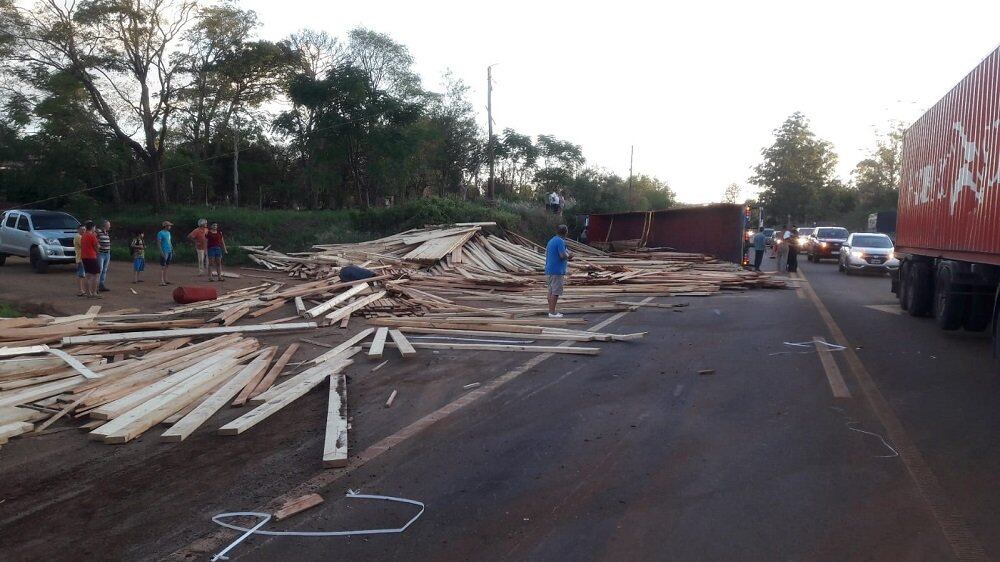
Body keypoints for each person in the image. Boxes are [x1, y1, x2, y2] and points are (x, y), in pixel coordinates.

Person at [545, 224, 571, 318]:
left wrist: (568, 252)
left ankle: (550, 310)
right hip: (557, 270)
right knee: (556, 292)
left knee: (551, 291)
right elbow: (562, 255)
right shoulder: (560, 241)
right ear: (566, 232)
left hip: (550, 269)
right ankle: (552, 312)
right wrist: (569, 256)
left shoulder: (551, 240)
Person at [80, 221, 101, 298]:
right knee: (96, 274)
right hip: (91, 256)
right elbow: (96, 246)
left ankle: (88, 293)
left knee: (88, 275)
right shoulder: (92, 236)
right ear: (92, 227)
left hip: (84, 256)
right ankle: (94, 292)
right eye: (94, 227)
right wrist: (98, 250)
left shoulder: (84, 235)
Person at [96, 220, 112, 292]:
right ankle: (96, 286)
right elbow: (94, 238)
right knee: (100, 269)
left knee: (104, 270)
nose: (110, 226)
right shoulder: (98, 232)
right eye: (108, 225)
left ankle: (101, 285)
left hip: (107, 253)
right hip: (101, 253)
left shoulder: (106, 233)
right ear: (105, 225)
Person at [157, 221, 173, 286]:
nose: (170, 227)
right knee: (162, 266)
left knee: (167, 266)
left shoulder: (168, 233)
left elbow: (169, 241)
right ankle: (161, 281)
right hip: (164, 251)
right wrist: (161, 251)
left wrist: (172, 249)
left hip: (169, 251)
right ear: (165, 226)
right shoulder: (160, 233)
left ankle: (165, 279)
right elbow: (158, 243)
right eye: (169, 225)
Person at [73, 224, 86, 297]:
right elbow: (84, 245)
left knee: (82, 275)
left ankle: (82, 290)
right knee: (80, 274)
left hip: (82, 258)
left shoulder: (82, 236)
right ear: (78, 230)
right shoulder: (78, 236)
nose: (83, 231)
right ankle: (80, 290)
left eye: (84, 229)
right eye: (82, 229)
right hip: (80, 258)